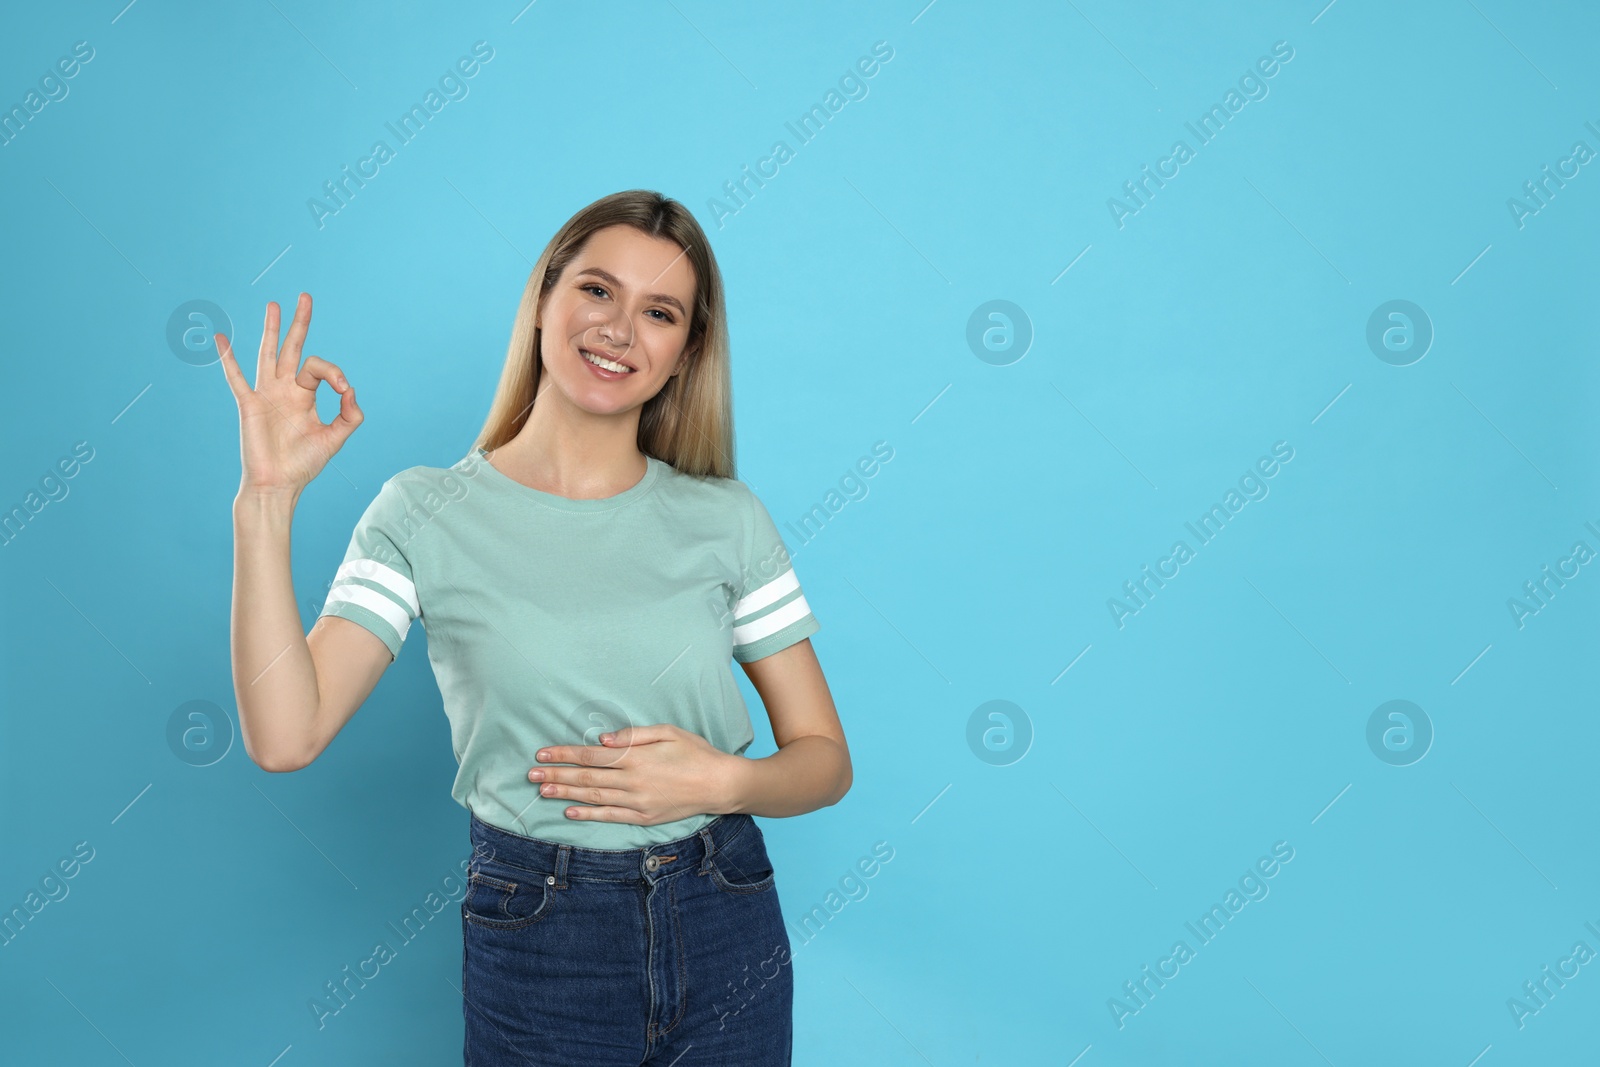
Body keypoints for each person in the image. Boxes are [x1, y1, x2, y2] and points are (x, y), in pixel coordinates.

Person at [220, 189, 852, 1065]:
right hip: (544, 935)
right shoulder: (423, 513)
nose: (621, 329)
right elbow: (285, 735)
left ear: (686, 351)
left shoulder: (728, 520)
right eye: (597, 291)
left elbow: (824, 759)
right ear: (545, 300)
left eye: (659, 311)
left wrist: (721, 780)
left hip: (725, 913)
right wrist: (267, 500)